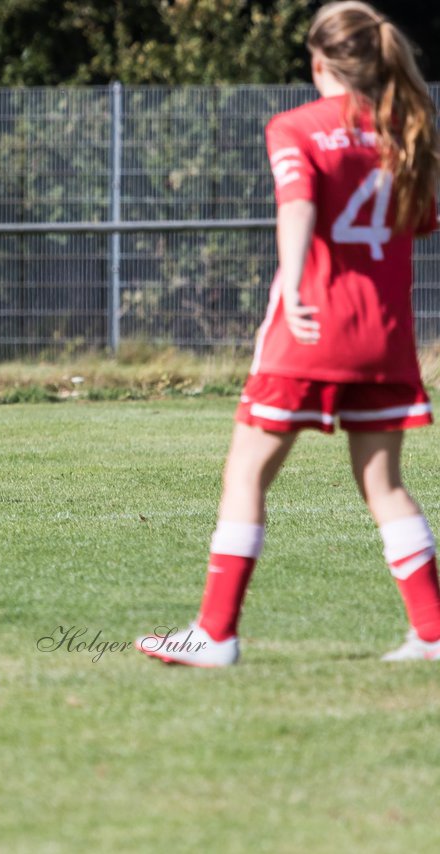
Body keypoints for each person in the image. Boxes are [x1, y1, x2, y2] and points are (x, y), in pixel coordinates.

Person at [138, 1, 440, 666]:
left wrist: (299, 284)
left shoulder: (296, 126)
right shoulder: (407, 129)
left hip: (313, 327)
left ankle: (214, 634)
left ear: (317, 63)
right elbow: (418, 224)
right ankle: (434, 632)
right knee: (384, 485)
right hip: (385, 336)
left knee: (246, 472)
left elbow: (298, 206)